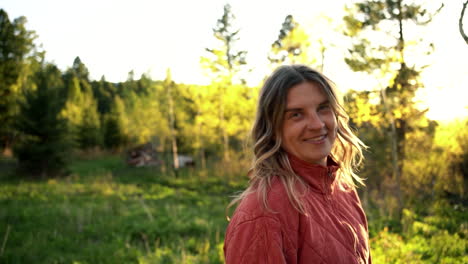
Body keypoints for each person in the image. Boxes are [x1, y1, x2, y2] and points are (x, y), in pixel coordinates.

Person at [224, 65, 371, 263]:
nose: (317, 124)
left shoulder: (342, 187)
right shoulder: (264, 212)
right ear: (273, 128)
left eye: (323, 108)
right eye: (296, 114)